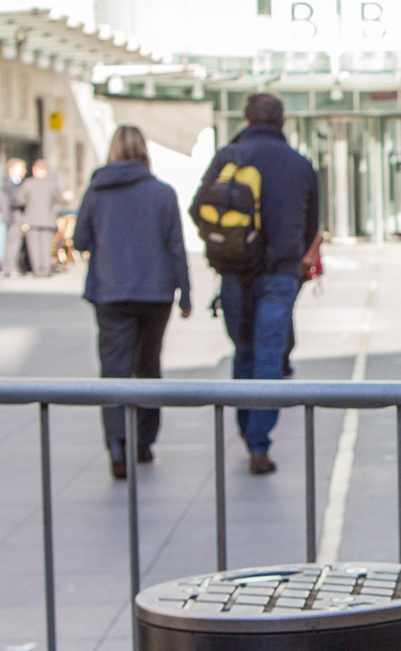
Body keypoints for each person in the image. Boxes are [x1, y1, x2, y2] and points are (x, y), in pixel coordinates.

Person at [197, 93, 319, 474]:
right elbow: (312, 224)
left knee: (243, 350)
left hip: (234, 271)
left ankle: (246, 426)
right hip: (280, 273)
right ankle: (258, 443)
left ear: (247, 118)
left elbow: (199, 208)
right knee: (269, 354)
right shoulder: (299, 164)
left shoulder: (228, 156)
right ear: (282, 120)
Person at [74, 126, 192, 479]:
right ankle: (144, 442)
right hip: (155, 294)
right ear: (144, 152)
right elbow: (175, 247)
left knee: (113, 371)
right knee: (148, 366)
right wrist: (186, 293)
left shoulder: (96, 192)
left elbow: (80, 239)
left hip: (109, 292)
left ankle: (116, 444)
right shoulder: (163, 193)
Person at [18, 158, 61, 276]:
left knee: (34, 247)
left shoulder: (28, 183)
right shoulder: (51, 184)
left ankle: (37, 270)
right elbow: (58, 199)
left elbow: (21, 200)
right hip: (48, 220)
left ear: (34, 170)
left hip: (32, 220)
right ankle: (46, 270)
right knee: (46, 246)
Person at [0, 158, 29, 276]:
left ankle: (8, 267)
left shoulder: (11, 183)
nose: (24, 171)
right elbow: (16, 200)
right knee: (13, 244)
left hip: (12, 217)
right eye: (21, 168)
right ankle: (11, 268)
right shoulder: (10, 183)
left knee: (11, 243)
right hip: (13, 217)